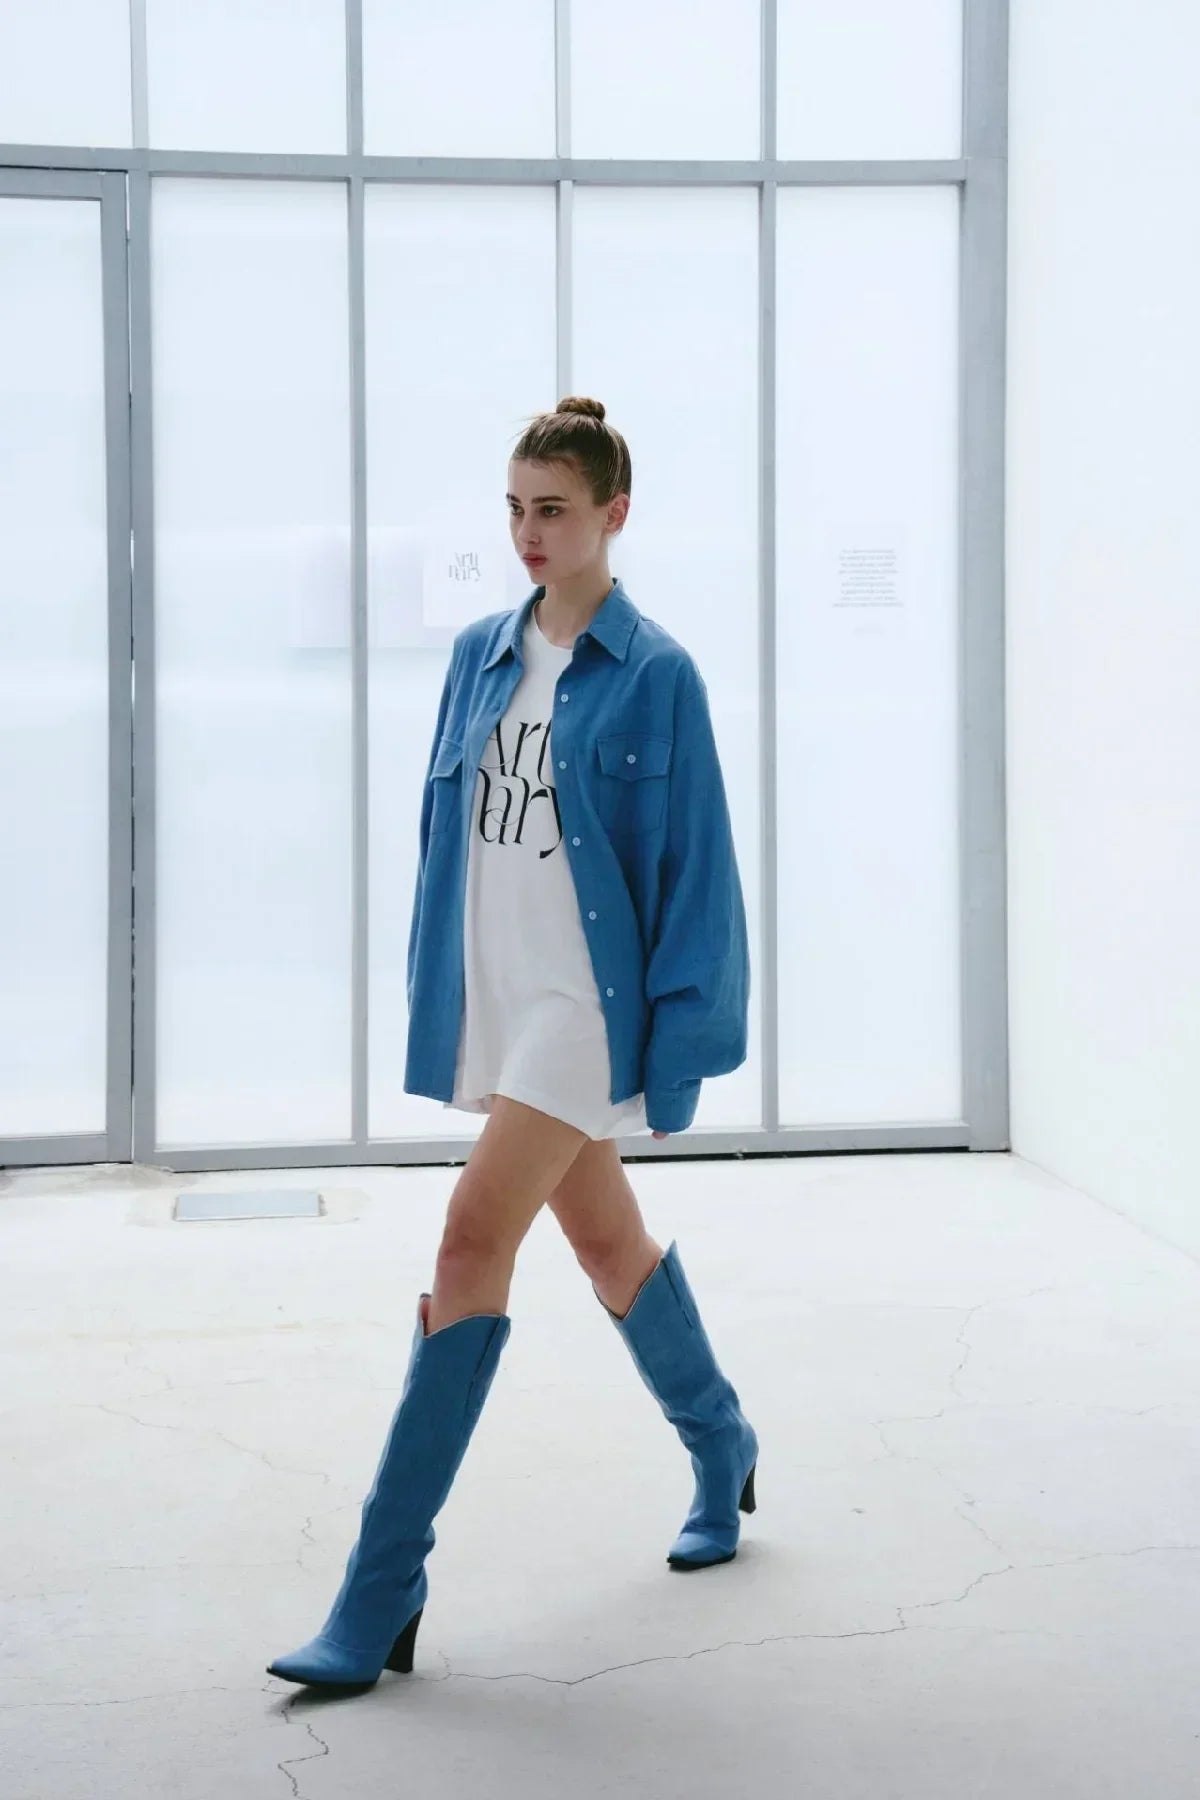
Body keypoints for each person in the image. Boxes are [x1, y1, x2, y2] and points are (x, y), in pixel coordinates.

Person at [267, 398, 758, 1692]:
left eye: (555, 508)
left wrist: (689, 1032)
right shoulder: (483, 652)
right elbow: (458, 843)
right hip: (502, 987)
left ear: (614, 514)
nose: (531, 533)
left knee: (468, 1242)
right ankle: (722, 1445)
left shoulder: (657, 672)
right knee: (606, 1243)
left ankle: (379, 1595)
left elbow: (698, 869)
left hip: (585, 1007)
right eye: (516, 508)